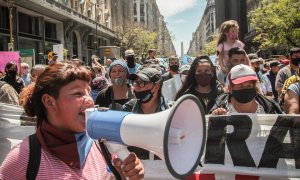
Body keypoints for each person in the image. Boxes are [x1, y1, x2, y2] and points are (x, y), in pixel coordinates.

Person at [0, 62, 144, 179]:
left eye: (88, 92)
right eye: (78, 93)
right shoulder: (24, 158)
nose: (89, 100)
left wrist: (124, 176)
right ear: (49, 101)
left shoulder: (101, 146)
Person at [121, 65, 172, 158]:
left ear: (156, 87)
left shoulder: (171, 111)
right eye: (135, 83)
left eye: (141, 83)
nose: (136, 87)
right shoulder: (127, 109)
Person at [210, 64, 282, 115]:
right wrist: (214, 119)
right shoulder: (220, 108)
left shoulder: (269, 107)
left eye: (249, 86)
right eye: (240, 86)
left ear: (255, 87)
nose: (245, 89)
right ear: (230, 88)